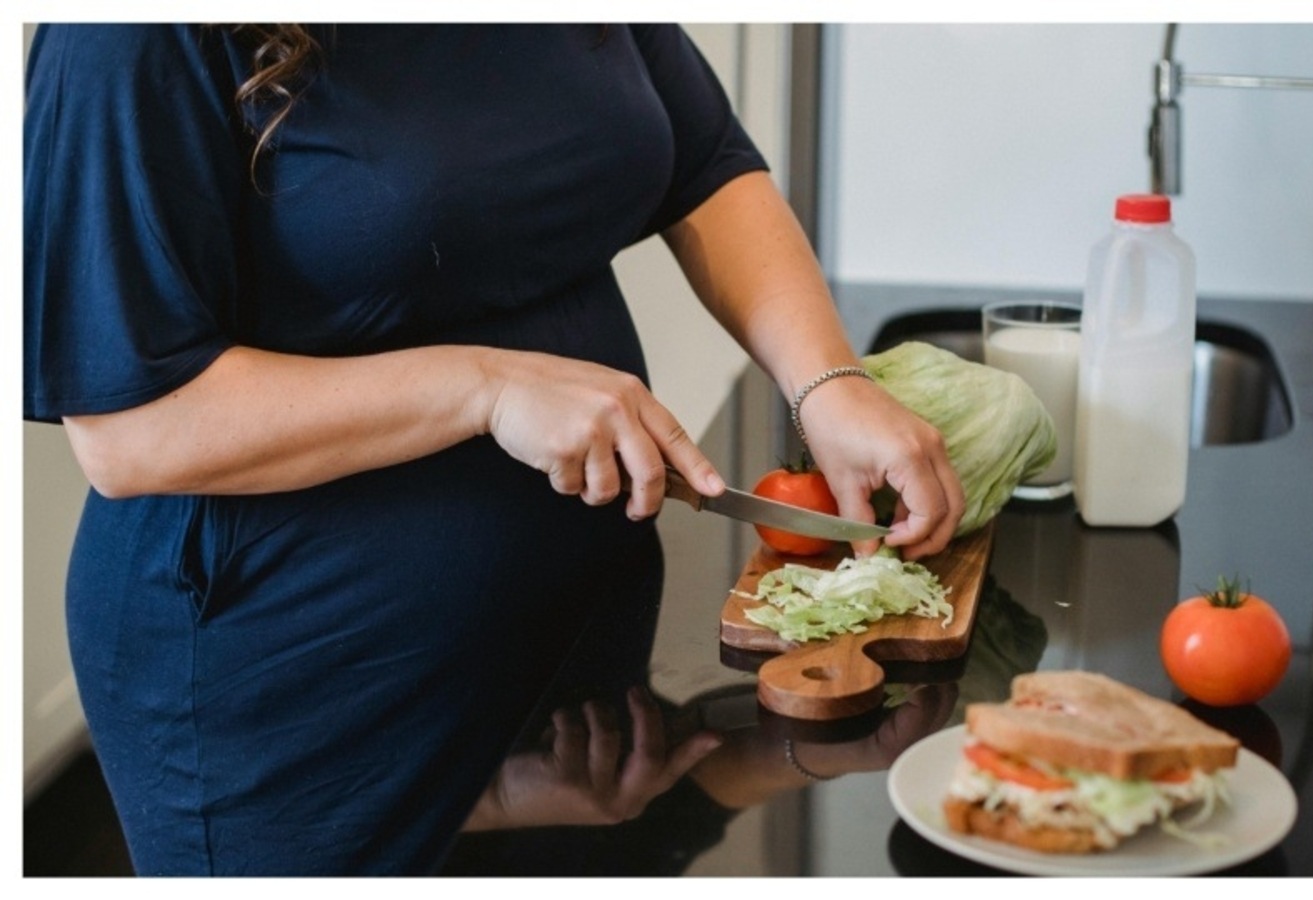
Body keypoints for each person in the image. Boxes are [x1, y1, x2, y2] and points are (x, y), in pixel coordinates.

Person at [23, 23, 964, 876]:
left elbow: (705, 165)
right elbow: (133, 430)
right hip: (299, 696)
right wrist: (487, 387)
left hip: (578, 661)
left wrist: (828, 382)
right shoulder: (123, 36)